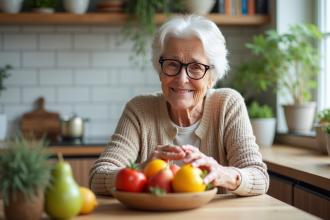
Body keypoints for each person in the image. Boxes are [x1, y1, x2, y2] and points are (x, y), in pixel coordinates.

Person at [89, 14, 269, 196]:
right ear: (160, 71)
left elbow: (259, 177)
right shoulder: (139, 109)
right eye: (173, 64)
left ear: (211, 79)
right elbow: (97, 176)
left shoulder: (228, 105)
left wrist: (222, 174)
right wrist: (141, 170)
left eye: (196, 67)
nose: (182, 79)